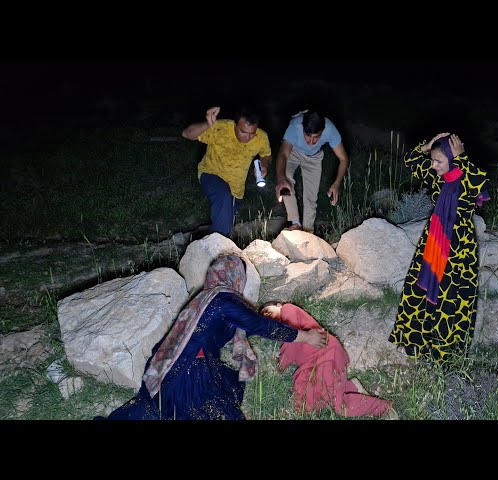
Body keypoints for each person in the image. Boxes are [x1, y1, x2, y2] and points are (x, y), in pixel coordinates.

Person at [105, 255, 327, 420]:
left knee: (225, 382)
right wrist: (305, 337)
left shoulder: (206, 297)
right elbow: (259, 326)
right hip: (186, 372)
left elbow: (244, 325)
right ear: (236, 277)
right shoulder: (224, 301)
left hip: (169, 365)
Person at [388, 133, 491, 366]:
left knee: (450, 299)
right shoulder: (439, 178)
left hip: (459, 247)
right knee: (419, 291)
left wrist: (462, 158)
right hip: (433, 241)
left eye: (439, 161)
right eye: (433, 161)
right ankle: (419, 343)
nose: (433, 166)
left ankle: (446, 355)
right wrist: (425, 146)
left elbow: (479, 182)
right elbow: (411, 160)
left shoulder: (467, 178)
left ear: (454, 159)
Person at [261, 301, 396, 418]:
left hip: (325, 355)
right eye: (263, 318)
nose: (266, 316)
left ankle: (383, 408)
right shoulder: (282, 330)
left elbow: (291, 339)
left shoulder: (287, 309)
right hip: (316, 360)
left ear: (278, 305)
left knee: (338, 405)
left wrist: (282, 364)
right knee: (306, 399)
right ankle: (351, 388)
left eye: (266, 311)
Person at [182, 106, 272, 237]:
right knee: (223, 195)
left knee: (226, 222)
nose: (248, 137)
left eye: (252, 133)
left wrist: (264, 165)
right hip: (211, 172)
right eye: (243, 132)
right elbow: (187, 134)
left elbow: (266, 155)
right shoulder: (220, 128)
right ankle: (220, 251)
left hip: (236, 188)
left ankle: (214, 247)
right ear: (235, 124)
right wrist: (207, 124)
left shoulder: (261, 137)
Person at [274, 110, 349, 233]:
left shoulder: (330, 129)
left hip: (314, 156)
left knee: (311, 197)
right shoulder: (295, 125)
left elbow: (343, 158)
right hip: (294, 152)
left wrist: (336, 184)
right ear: (303, 128)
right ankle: (295, 222)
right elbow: (283, 154)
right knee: (286, 178)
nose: (311, 141)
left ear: (323, 130)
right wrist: (281, 180)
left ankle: (308, 231)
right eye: (308, 135)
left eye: (316, 137)